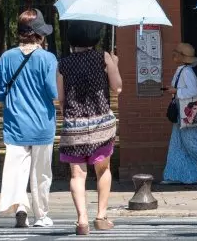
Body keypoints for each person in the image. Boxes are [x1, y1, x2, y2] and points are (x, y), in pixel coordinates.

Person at [0, 9, 58, 228]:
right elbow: (52, 91)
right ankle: (41, 215)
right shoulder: (48, 59)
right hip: (42, 124)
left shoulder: (6, 57)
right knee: (41, 173)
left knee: (17, 171)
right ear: (39, 34)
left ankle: (20, 207)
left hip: (15, 124)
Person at [56, 20, 122, 235]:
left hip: (74, 126)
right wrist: (114, 64)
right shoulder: (103, 57)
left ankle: (81, 220)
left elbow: (60, 98)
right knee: (103, 169)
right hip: (101, 124)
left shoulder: (63, 63)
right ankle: (101, 216)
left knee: (77, 175)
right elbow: (118, 87)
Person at [162, 43, 197, 184]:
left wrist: (176, 92)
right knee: (177, 146)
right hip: (182, 116)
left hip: (187, 116)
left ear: (181, 57)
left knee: (194, 146)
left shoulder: (186, 72)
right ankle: (174, 175)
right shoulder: (182, 70)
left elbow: (192, 92)